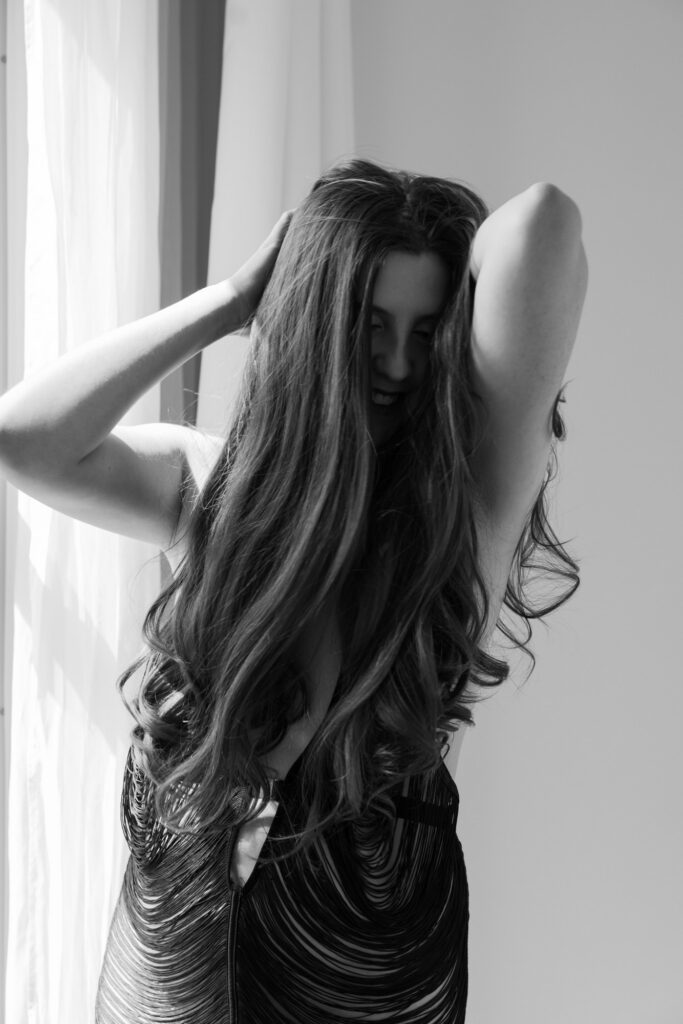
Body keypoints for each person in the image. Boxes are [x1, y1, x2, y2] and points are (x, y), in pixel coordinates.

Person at [0, 158, 588, 1023]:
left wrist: (436, 251)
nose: (395, 361)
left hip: (360, 974)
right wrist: (235, 302)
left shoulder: (460, 518)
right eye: (369, 322)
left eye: (426, 332)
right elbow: (24, 441)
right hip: (170, 954)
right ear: (317, 321)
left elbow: (540, 222)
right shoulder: (209, 489)